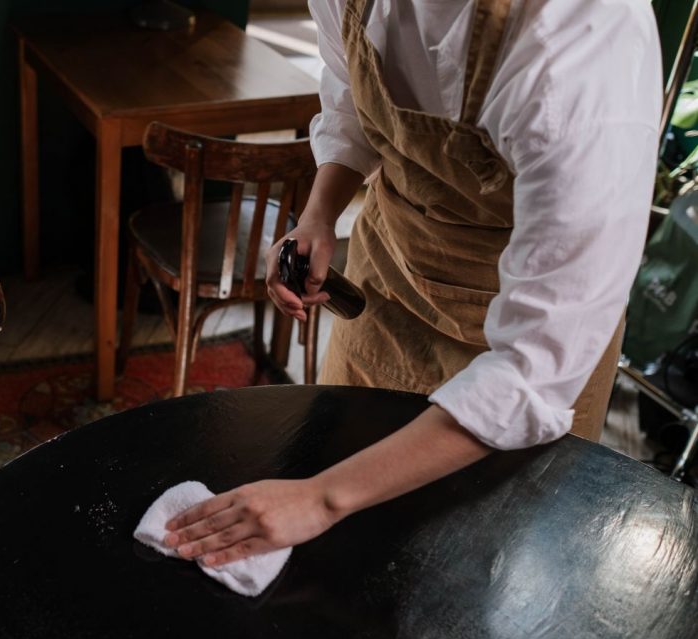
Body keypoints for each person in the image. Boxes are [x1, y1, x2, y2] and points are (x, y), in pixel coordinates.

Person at [163, 0, 661, 566]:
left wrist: (322, 498)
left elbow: (531, 376)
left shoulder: (582, 40)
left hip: (514, 320)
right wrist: (319, 214)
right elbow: (353, 89)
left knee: (480, 563)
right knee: (343, 543)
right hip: (391, 273)